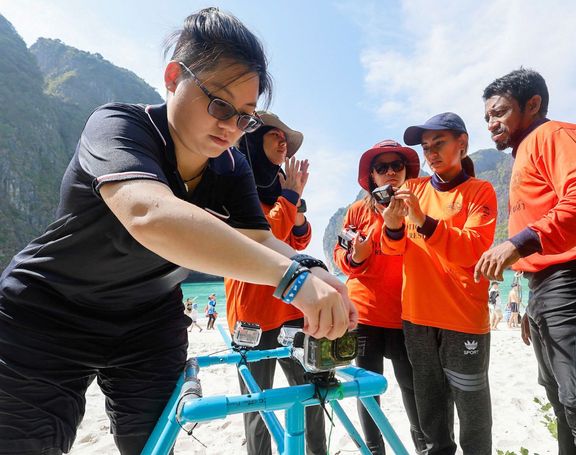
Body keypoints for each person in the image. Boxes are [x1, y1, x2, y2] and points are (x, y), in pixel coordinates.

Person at [0, 8, 355, 455]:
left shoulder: (232, 166)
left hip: (149, 322)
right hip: (46, 311)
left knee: (153, 445)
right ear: (173, 77)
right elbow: (150, 214)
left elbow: (260, 238)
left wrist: (313, 268)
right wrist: (291, 280)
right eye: (220, 104)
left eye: (245, 117)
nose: (230, 126)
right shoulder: (119, 126)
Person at [475, 68, 576, 454]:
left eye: (501, 112)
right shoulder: (525, 150)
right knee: (565, 407)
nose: (492, 123)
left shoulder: (555, 134)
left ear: (533, 104)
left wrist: (517, 244)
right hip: (552, 289)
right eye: (488, 117)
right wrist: (535, 303)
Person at [381, 113, 497, 454]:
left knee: (473, 417)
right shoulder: (413, 188)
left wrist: (422, 221)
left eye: (439, 144)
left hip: (463, 319)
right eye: (425, 147)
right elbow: (393, 248)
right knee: (431, 414)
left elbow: (472, 247)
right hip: (416, 318)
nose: (430, 153)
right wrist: (392, 226)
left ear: (462, 144)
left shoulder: (480, 191)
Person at [224, 112, 327, 455]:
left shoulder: (281, 188)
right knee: (257, 404)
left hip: (290, 309)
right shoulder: (236, 184)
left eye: (287, 139)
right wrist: (291, 196)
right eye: (276, 136)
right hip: (251, 315)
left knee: (311, 392)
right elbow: (262, 237)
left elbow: (297, 242)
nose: (284, 143)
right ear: (254, 140)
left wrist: (294, 203)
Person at [333, 139, 425, 454]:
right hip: (365, 314)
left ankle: (423, 447)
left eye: (396, 166)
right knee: (367, 391)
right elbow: (340, 257)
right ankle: (375, 451)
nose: (389, 173)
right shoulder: (357, 211)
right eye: (381, 167)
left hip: (406, 313)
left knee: (411, 388)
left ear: (405, 172)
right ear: (371, 175)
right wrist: (356, 258)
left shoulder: (418, 208)